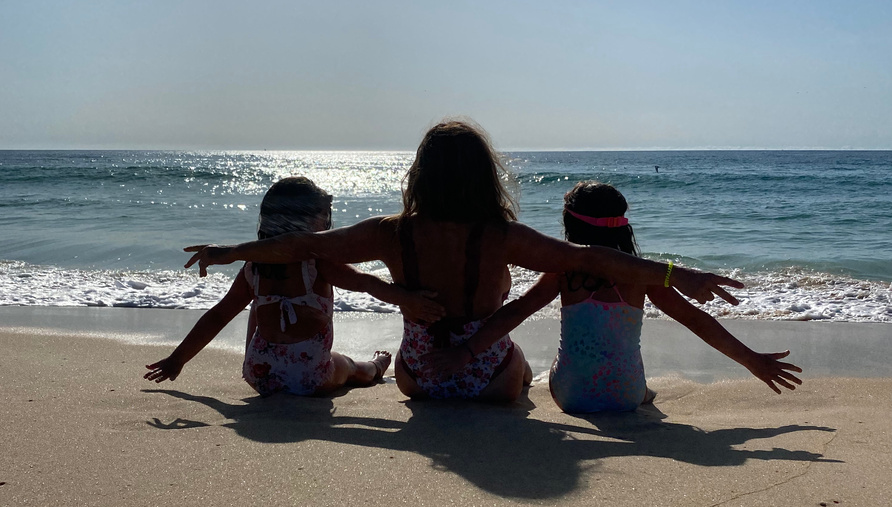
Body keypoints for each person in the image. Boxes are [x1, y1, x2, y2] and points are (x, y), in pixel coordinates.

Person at [182, 121, 745, 403]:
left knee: (421, 358)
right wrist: (677, 274)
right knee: (524, 370)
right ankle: (518, 378)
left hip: (417, 377)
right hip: (490, 380)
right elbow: (591, 256)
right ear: (484, 176)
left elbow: (305, 247)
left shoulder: (390, 232)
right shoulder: (502, 236)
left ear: (419, 174)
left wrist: (234, 252)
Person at [419, 180, 802, 413]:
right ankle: (644, 392)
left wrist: (464, 352)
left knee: (555, 360)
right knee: (636, 381)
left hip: (570, 397)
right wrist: (752, 360)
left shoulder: (562, 272)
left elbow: (515, 311)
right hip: (626, 396)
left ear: (570, 227)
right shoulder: (644, 278)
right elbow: (696, 320)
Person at [145, 177, 444, 397]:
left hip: (259, 374)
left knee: (257, 305)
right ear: (310, 226)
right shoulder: (318, 265)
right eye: (325, 218)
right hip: (311, 377)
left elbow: (218, 316)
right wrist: (407, 298)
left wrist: (177, 359)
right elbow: (366, 283)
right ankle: (376, 366)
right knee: (350, 366)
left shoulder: (252, 269)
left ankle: (273, 357)